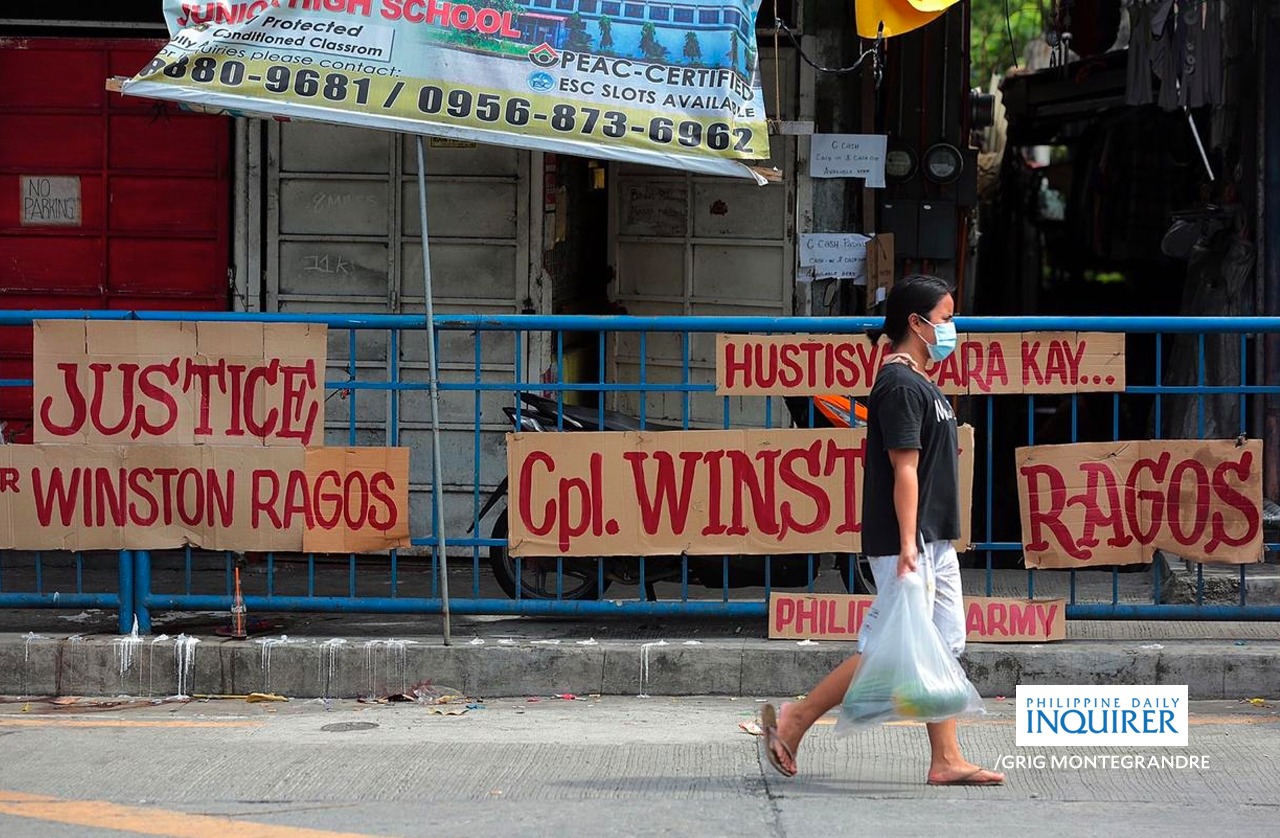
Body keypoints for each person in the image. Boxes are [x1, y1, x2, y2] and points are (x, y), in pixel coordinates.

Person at [761, 275, 1004, 786]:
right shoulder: (897, 384)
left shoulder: (921, 380)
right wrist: (907, 543)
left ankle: (945, 758)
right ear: (916, 324)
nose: (951, 329)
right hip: (909, 542)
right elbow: (904, 469)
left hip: (933, 538)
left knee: (941, 643)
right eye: (944, 319)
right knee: (891, 648)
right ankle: (797, 717)